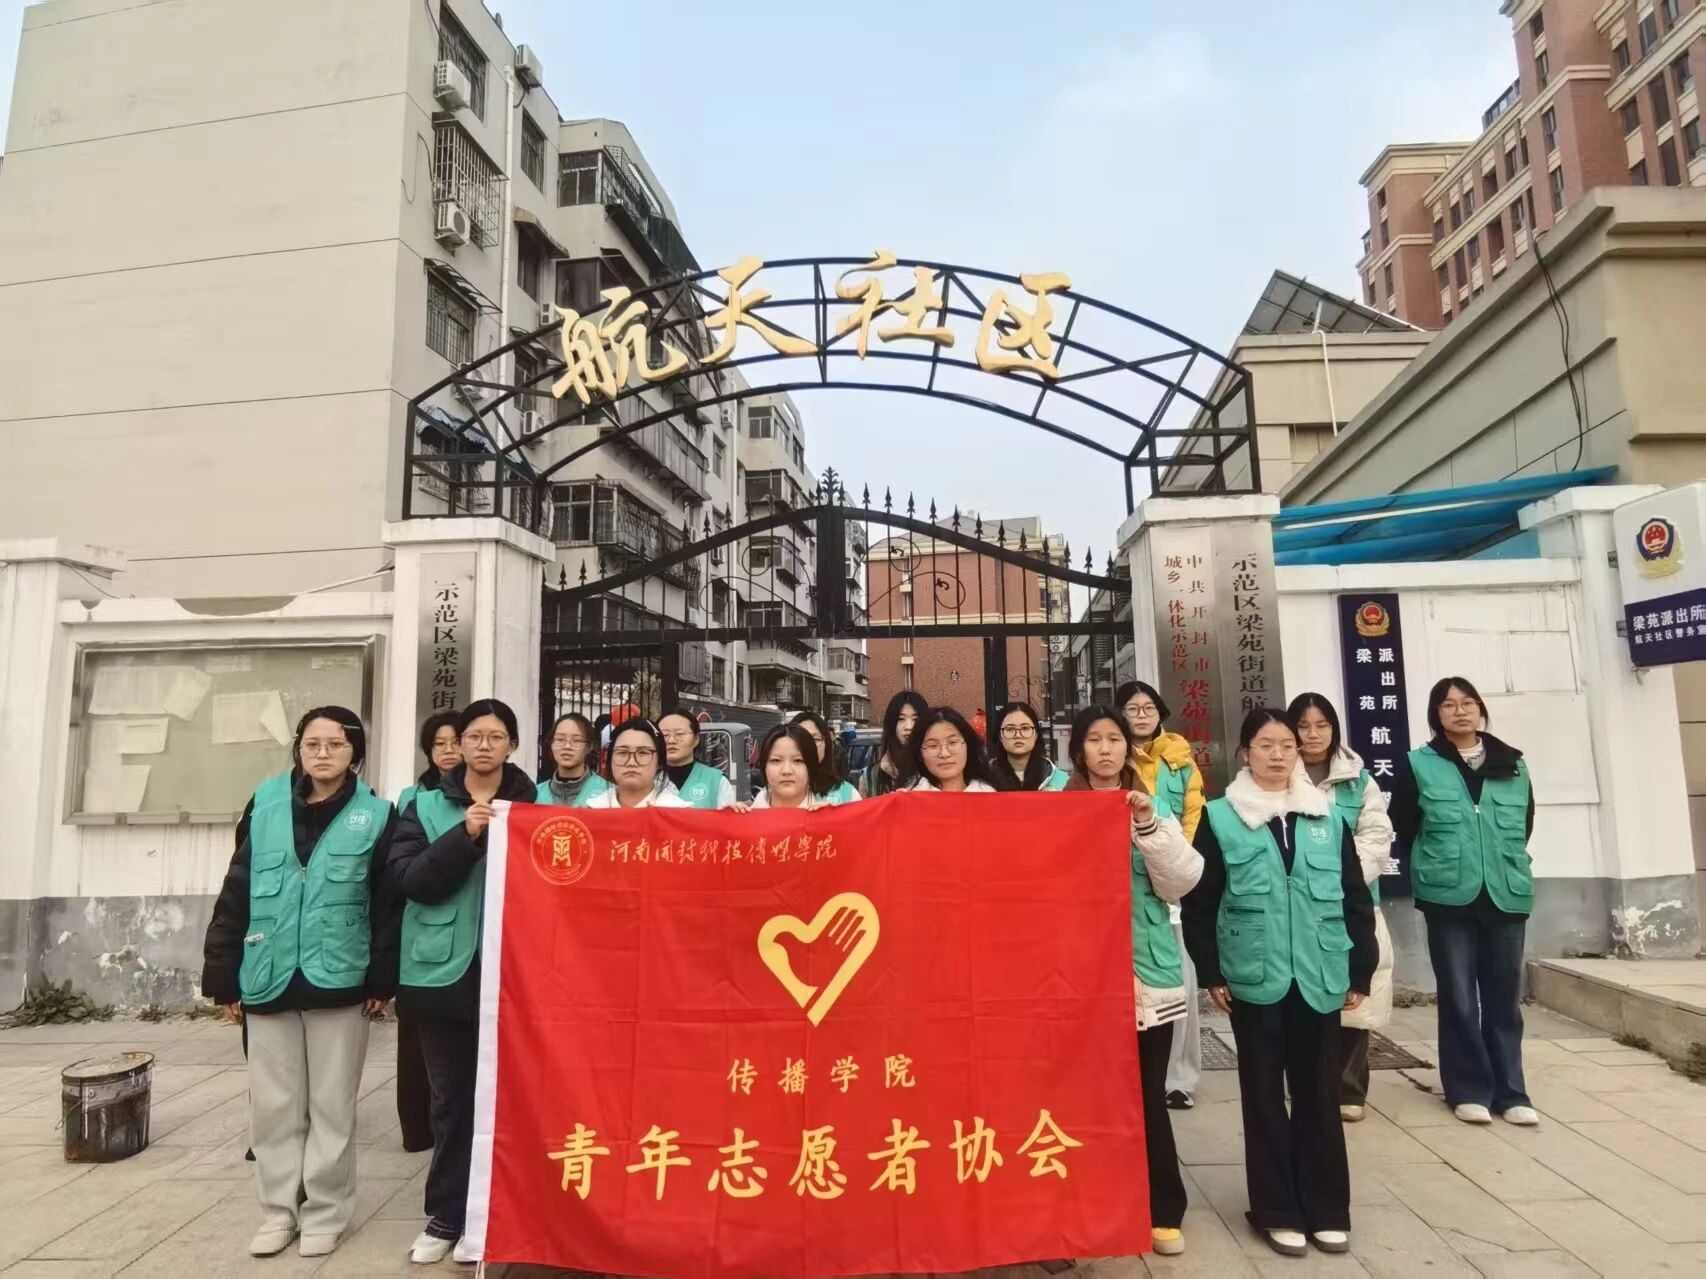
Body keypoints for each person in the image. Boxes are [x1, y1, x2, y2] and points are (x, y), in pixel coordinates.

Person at [203, 706, 396, 1260]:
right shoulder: (264, 805)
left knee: (333, 1106)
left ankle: (326, 1211)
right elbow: (236, 889)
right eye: (313, 743)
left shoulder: (377, 815)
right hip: (268, 973)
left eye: (336, 744)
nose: (323, 753)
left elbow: (386, 905)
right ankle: (278, 1211)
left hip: (340, 975)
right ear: (298, 749)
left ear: (355, 752)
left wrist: (382, 979)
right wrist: (223, 975)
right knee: (273, 1105)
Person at [1182, 708, 1375, 1258]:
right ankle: (1275, 1209)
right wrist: (1211, 970)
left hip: (1319, 973)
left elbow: (1354, 898)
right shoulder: (1221, 817)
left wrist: (1359, 969)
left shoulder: (1326, 817)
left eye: (1287, 745)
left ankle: (1326, 1209)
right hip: (1253, 975)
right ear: (1245, 753)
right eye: (1266, 745)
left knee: (1319, 1093)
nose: (1278, 754)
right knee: (1264, 1096)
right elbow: (1201, 903)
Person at [390, 698, 536, 1266]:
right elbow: (409, 879)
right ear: (459, 743)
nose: (483, 745)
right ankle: (446, 1215)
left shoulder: (536, 805)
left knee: (514, 1101)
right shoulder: (423, 806)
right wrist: (465, 835)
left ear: (513, 745)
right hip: (441, 975)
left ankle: (506, 1210)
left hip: (517, 976)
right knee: (451, 1101)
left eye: (496, 736)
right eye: (474, 735)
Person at [1062, 705, 1201, 1257]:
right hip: (1078, 976)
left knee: (1145, 1093)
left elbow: (1181, 883)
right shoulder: (1055, 807)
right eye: (1094, 739)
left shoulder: (1153, 804)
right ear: (1079, 750)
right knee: (1082, 1096)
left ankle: (1162, 1208)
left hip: (1145, 971)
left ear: (1128, 747)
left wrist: (1146, 825)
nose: (1105, 749)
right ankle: (1087, 1203)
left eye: (1114, 739)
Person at [1391, 676, 1537, 1128]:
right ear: (1436, 714)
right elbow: (1406, 824)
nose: (1460, 711)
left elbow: (1525, 822)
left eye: (1468, 702)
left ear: (1480, 709)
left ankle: (1511, 1091)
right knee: (1457, 996)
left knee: (1504, 997)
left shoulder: (1513, 763)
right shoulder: (1419, 764)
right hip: (1448, 894)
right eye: (1449, 705)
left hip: (1505, 892)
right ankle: (1469, 1088)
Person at [1289, 693, 1396, 1123]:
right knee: (1303, 996)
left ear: (1334, 729)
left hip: (1351, 902)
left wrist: (1340, 879)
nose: (1312, 735)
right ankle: (1306, 1085)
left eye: (1322, 725)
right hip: (1297, 905)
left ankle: (1350, 1089)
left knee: (1355, 997)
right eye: (1303, 726)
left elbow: (1377, 835)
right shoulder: (1279, 775)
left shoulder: (1359, 780)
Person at [1116, 680, 1206, 1111]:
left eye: (1148, 707)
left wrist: (1173, 861)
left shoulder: (1180, 759)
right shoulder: (1114, 755)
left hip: (1170, 877)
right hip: (1126, 885)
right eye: (1132, 708)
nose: (1141, 715)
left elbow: (1193, 814)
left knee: (1179, 981)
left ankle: (1180, 1078)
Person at [392, 712, 461, 1154]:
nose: (449, 751)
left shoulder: (498, 797)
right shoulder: (412, 799)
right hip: (420, 924)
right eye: (440, 744)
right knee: (417, 1038)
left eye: (456, 742)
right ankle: (417, 1129)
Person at [582, 717, 693, 808]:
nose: (631, 762)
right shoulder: (593, 810)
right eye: (622, 752)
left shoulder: (679, 813)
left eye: (643, 753)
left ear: (659, 762)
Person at [904, 707, 999, 792]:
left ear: (968, 745)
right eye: (933, 745)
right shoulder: (909, 799)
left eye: (953, 742)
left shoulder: (991, 797)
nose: (944, 754)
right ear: (919, 754)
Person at [656, 709, 735, 809]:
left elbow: (727, 817)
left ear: (696, 739)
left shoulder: (717, 781)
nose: (671, 740)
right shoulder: (649, 779)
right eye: (664, 735)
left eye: (679, 734)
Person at [737, 723, 826, 811]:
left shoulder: (826, 817)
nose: (786, 771)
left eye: (798, 760)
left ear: (811, 767)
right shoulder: (743, 816)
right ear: (764, 766)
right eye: (776, 760)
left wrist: (828, 816)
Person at [990, 701, 1070, 791]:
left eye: (1025, 728)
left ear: (1036, 735)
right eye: (1010, 729)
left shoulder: (1062, 782)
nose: (1018, 735)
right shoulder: (984, 782)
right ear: (1000, 737)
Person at [861, 691, 927, 797]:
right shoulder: (870, 776)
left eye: (915, 719)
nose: (908, 727)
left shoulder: (936, 769)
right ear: (891, 724)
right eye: (901, 719)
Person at [536, 712, 610, 807]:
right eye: (560, 739)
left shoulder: (608, 792)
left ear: (589, 746)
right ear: (551, 744)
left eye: (576, 740)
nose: (567, 746)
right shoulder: (534, 795)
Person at [790, 710, 861, 804]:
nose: (809, 745)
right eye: (801, 738)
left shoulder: (848, 794)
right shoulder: (772, 794)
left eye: (816, 739)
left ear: (826, 744)